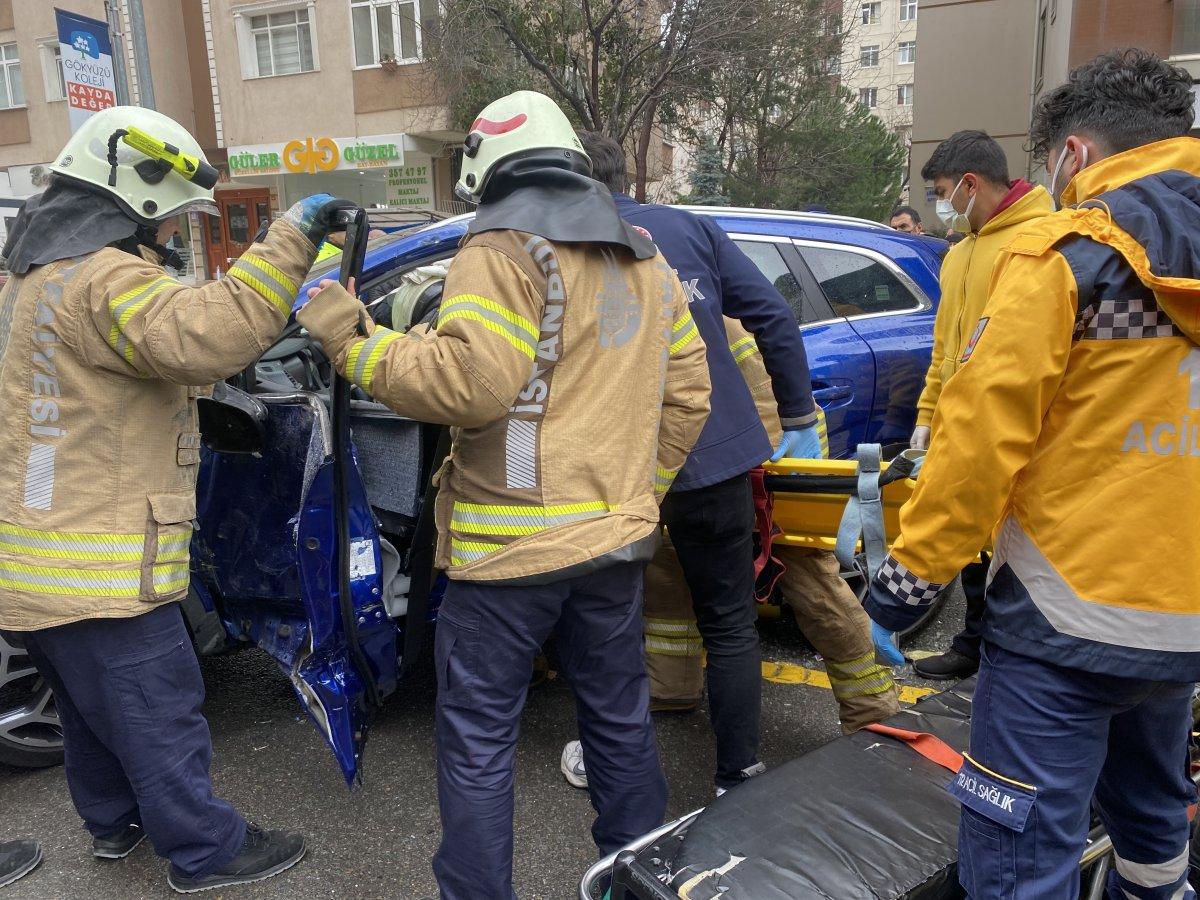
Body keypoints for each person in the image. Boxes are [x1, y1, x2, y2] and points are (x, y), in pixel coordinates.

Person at [298, 91, 710, 900]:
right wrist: (636, 494)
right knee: (620, 724)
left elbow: (471, 383)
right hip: (612, 548)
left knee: (481, 739)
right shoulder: (644, 256)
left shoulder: (503, 244)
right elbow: (690, 395)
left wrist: (351, 338)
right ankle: (642, 882)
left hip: (506, 555)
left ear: (484, 170)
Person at [865, 49, 1200, 898]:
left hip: (1063, 618)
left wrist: (905, 584)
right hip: (1184, 623)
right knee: (1155, 824)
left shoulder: (1067, 256)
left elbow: (980, 444)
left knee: (1019, 858)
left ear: (1075, 156)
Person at [0, 106, 350, 893]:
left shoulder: (34, 282)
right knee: (160, 711)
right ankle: (206, 852)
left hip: (35, 562)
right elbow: (207, 333)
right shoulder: (105, 277)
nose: (165, 240)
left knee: (95, 715)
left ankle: (113, 823)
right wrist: (291, 237)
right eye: (165, 222)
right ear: (134, 200)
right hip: (101, 566)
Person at [573, 130, 821, 794]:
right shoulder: (687, 228)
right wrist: (797, 417)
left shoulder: (556, 248)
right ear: (622, 173)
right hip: (714, 455)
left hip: (618, 464)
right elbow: (772, 314)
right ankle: (737, 774)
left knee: (608, 616)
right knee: (730, 619)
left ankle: (609, 761)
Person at [563, 320, 898, 795]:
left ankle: (874, 713)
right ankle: (672, 687)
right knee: (669, 567)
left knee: (808, 579)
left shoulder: (664, 303)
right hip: (713, 452)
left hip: (763, 447)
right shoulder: (677, 291)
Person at [907, 129, 1053, 681]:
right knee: (970, 544)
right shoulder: (959, 253)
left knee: (1015, 549)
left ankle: (1011, 656)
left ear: (970, 184)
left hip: (1016, 426)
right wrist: (927, 416)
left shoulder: (1039, 241)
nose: (942, 204)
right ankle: (974, 645)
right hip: (961, 422)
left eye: (944, 191)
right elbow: (945, 348)